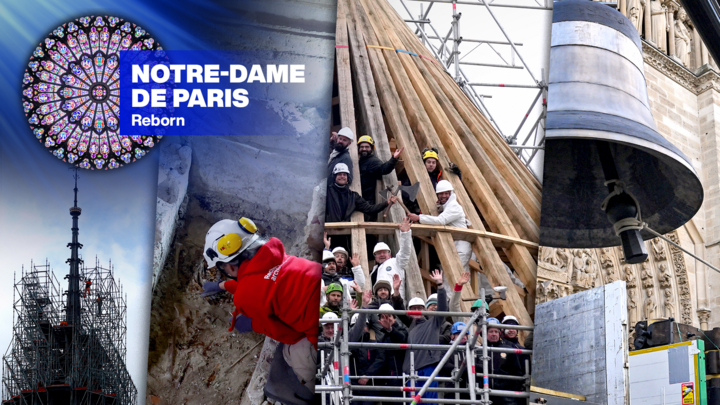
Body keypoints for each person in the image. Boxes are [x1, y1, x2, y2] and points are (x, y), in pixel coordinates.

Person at [200, 217, 320, 396]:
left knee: (289, 350)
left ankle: (315, 385)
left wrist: (253, 324)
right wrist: (221, 286)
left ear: (229, 267)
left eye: (222, 270)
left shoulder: (246, 296)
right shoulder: (277, 256)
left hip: (322, 336)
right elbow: (264, 281)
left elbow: (288, 334)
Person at [408, 180, 472, 276]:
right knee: (455, 276)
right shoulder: (448, 206)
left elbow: (441, 220)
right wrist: (440, 207)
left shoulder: (454, 206)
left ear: (451, 193)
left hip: (461, 247)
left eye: (446, 193)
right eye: (441, 194)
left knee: (457, 276)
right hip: (455, 246)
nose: (444, 196)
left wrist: (419, 217)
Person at [403, 270, 446, 405]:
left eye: (419, 307)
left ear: (425, 310)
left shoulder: (433, 323)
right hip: (411, 370)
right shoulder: (410, 329)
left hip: (428, 366)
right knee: (413, 402)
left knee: (429, 401)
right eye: (413, 308)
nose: (416, 310)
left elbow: (443, 309)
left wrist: (440, 286)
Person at [326, 163, 396, 222]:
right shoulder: (326, 192)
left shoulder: (353, 196)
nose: (342, 176)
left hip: (344, 233)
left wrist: (386, 203)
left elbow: (369, 209)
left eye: (344, 174)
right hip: (327, 233)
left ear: (347, 177)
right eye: (339, 174)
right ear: (334, 176)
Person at [402, 148, 461, 214]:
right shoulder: (414, 176)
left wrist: (457, 174)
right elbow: (405, 193)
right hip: (418, 211)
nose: (431, 165)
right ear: (424, 163)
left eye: (433, 162)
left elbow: (454, 189)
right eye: (428, 162)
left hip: (438, 211)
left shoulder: (437, 177)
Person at [369, 217, 412, 300]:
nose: (381, 255)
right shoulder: (373, 272)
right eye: (378, 253)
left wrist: (405, 234)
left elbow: (405, 252)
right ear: (375, 257)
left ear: (389, 254)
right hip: (379, 304)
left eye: (384, 252)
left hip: (395, 301)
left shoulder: (396, 262)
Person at [357, 135, 403, 212]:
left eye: (367, 147)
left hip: (367, 200)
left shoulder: (373, 161)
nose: (364, 149)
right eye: (362, 147)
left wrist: (394, 159)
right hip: (359, 198)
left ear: (372, 148)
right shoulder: (360, 160)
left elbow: (384, 169)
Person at [485, 318, 524, 405]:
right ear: (485, 333)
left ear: (500, 333)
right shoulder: (478, 350)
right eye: (491, 331)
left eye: (496, 331)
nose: (494, 334)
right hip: (485, 394)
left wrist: (512, 393)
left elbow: (517, 372)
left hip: (506, 397)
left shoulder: (508, 350)